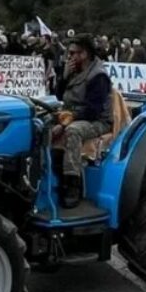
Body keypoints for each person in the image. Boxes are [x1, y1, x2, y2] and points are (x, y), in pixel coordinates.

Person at [54, 34, 113, 208]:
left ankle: (73, 183)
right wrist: (63, 77)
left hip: (97, 120)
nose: (70, 57)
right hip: (71, 113)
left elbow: (92, 111)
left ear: (84, 54)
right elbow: (59, 96)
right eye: (69, 53)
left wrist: (64, 123)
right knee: (39, 122)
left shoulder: (98, 76)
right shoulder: (74, 71)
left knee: (73, 131)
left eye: (73, 53)